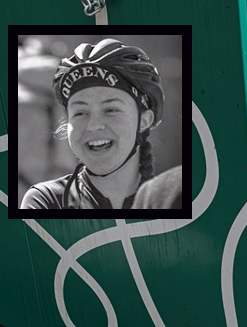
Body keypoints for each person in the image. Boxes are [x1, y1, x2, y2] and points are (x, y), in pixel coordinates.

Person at [21, 38, 165, 210]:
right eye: (80, 113)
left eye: (111, 110)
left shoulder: (173, 200)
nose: (93, 125)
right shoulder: (45, 201)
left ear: (144, 121)